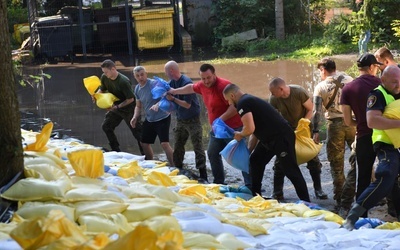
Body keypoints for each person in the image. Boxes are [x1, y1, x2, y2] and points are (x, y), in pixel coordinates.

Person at [223, 83, 310, 201]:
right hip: (269, 139)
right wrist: (249, 150)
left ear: (232, 96)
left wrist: (240, 135)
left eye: (228, 100)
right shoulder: (248, 100)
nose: (229, 103)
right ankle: (256, 196)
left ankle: (307, 202)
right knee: (255, 160)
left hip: (281, 137)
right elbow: (255, 131)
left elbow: (249, 129)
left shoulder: (243, 103)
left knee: (290, 170)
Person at [168, 64, 251, 187]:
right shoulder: (202, 85)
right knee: (212, 153)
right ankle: (219, 182)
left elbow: (235, 106)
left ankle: (251, 185)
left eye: (209, 77)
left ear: (214, 74)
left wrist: (220, 119)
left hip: (233, 128)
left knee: (241, 156)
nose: (206, 81)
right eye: (203, 78)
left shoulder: (224, 86)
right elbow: (191, 87)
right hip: (217, 129)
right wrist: (174, 91)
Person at [343, 65, 400, 230]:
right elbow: (372, 121)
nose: (398, 86)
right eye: (394, 82)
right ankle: (354, 217)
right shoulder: (377, 95)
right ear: (383, 80)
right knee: (385, 174)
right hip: (385, 143)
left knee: (393, 183)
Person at [268, 77, 327, 200]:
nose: (272, 94)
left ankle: (318, 189)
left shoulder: (298, 92)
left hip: (303, 129)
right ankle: (277, 192)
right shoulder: (274, 99)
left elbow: (311, 109)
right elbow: (272, 116)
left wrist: (303, 123)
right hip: (286, 131)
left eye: (273, 91)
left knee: (313, 158)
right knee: (280, 160)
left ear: (281, 88)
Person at [312, 58, 356, 216]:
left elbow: (317, 111)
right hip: (353, 122)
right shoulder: (350, 80)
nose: (319, 73)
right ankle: (366, 195)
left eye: (319, 70)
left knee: (336, 165)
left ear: (323, 69)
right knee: (359, 158)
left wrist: (316, 130)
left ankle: (340, 199)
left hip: (334, 125)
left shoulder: (320, 87)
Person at [340, 53, 382, 217]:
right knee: (389, 173)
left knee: (363, 177)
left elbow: (348, 121)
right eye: (376, 66)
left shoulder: (348, 88)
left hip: (364, 137)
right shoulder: (381, 84)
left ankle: (361, 216)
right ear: (371, 67)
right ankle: (395, 211)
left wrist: (364, 123)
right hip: (384, 135)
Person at [164, 61, 208, 183]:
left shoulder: (186, 82)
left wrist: (173, 98)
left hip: (193, 119)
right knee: (178, 146)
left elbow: (187, 105)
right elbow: (165, 92)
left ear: (171, 71)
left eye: (166, 71)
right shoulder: (172, 83)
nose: (165, 74)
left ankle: (203, 175)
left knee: (197, 146)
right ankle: (178, 169)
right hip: (180, 119)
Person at [95, 59, 143, 154]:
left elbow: (130, 99)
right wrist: (96, 96)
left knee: (138, 133)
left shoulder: (123, 81)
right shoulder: (105, 77)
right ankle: (115, 150)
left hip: (129, 108)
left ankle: (146, 156)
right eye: (104, 72)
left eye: (106, 72)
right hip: (116, 106)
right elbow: (102, 89)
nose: (105, 74)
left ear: (113, 69)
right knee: (106, 126)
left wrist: (117, 107)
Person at [129, 66, 174, 166]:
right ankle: (150, 165)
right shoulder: (137, 89)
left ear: (146, 74)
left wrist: (158, 104)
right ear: (135, 77)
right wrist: (135, 117)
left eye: (142, 75)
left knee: (164, 144)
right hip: (150, 119)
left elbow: (168, 96)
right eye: (138, 76)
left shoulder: (153, 84)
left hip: (163, 117)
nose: (140, 77)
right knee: (144, 143)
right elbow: (138, 106)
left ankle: (173, 166)